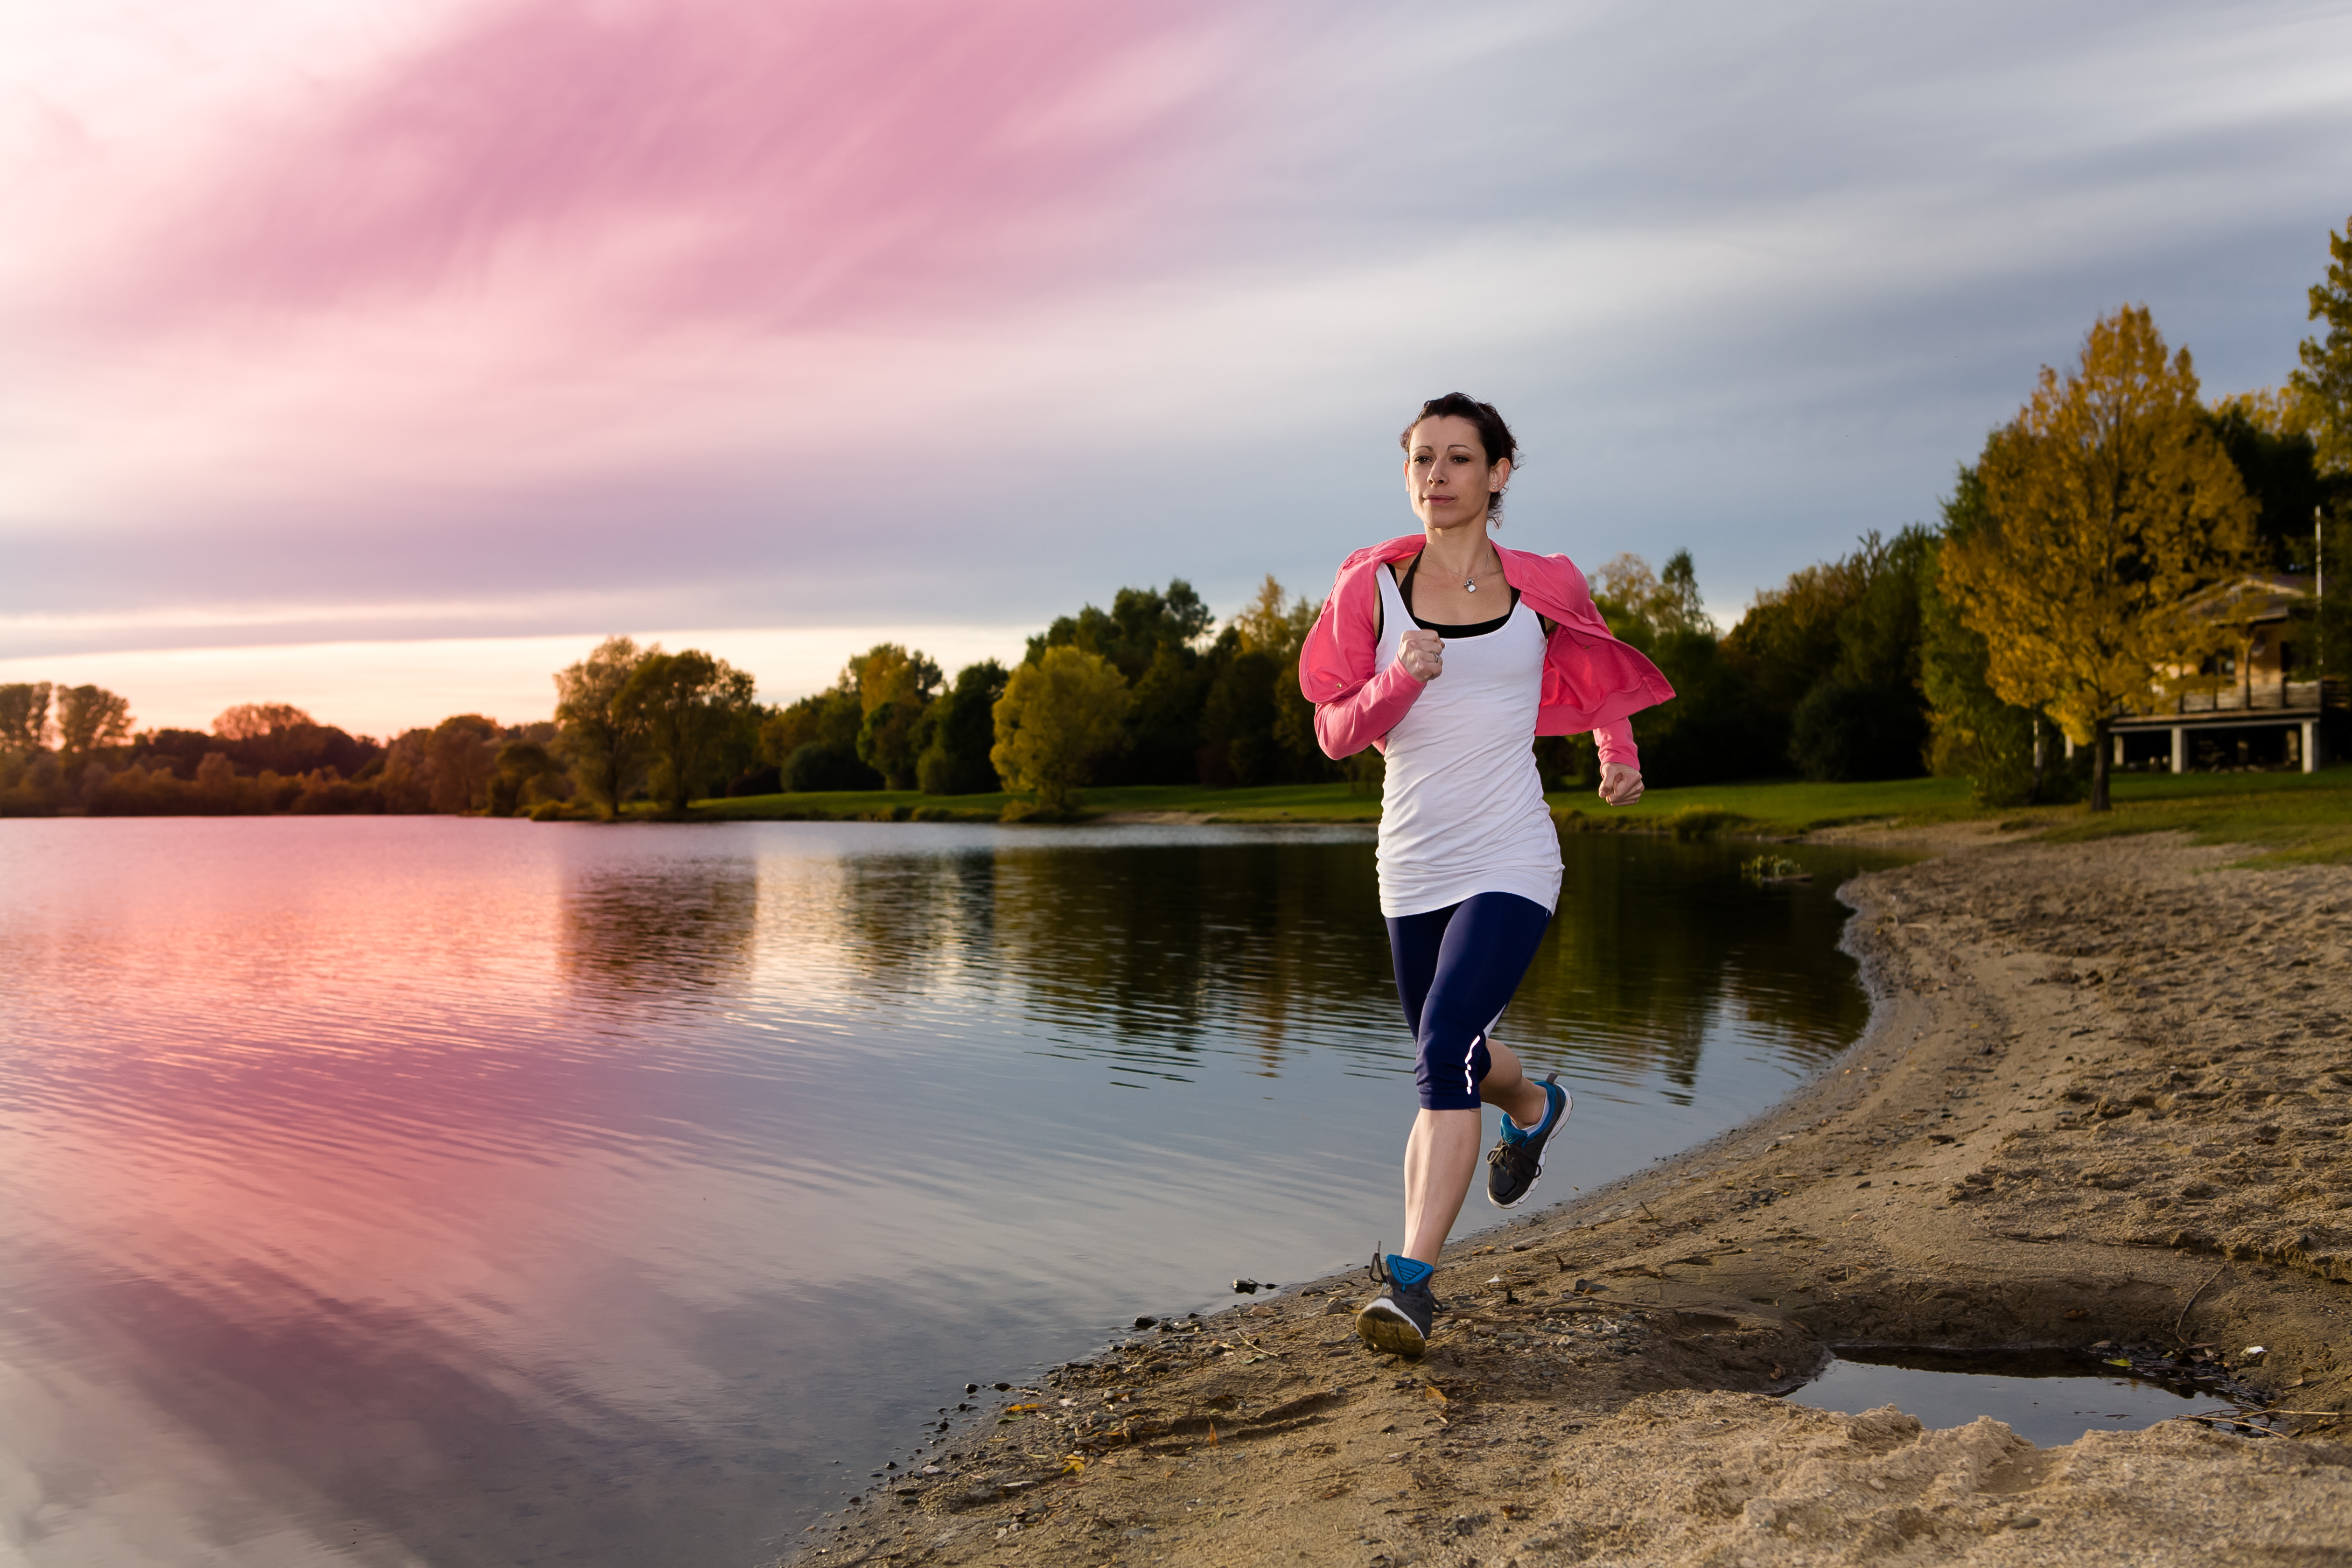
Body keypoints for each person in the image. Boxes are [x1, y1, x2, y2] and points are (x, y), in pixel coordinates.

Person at [1297, 393, 1675, 1359]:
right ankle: (1534, 1104)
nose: (1438, 475)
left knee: (1441, 1052)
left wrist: (1616, 748)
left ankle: (1412, 1282)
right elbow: (1336, 732)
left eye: (1459, 458)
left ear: (1499, 473)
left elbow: (1593, 663)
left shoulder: (1542, 582)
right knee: (1451, 1054)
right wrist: (1399, 679)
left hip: (1512, 852)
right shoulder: (1370, 592)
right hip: (1412, 861)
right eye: (1422, 459)